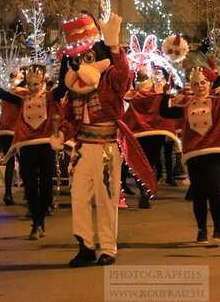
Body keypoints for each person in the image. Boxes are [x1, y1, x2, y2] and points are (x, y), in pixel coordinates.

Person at [50, 13, 156, 267]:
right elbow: (68, 120)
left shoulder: (109, 81)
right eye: (75, 60)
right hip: (82, 150)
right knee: (78, 198)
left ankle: (108, 247)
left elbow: (123, 72)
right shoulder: (74, 94)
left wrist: (113, 43)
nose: (79, 66)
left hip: (107, 147)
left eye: (86, 58)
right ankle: (85, 246)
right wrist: (61, 134)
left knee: (106, 199)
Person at [159, 66, 220, 244]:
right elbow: (164, 112)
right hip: (195, 153)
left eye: (203, 82)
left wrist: (217, 77)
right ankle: (202, 230)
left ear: (209, 83)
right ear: (191, 86)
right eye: (196, 84)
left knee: (213, 189)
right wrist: (165, 95)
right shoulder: (186, 103)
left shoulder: (219, 99)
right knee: (199, 193)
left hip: (217, 150)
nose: (200, 86)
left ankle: (218, 228)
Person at [0, 62, 61, 240]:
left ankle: (41, 219)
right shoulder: (21, 100)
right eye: (30, 84)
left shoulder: (50, 97)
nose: (32, 88)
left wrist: (67, 61)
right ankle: (36, 223)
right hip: (26, 147)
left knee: (46, 186)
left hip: (46, 145)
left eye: (36, 84)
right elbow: (0, 93)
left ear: (43, 82)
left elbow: (65, 88)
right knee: (30, 185)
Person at [121, 68, 181, 208]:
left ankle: (144, 189)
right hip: (156, 131)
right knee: (150, 163)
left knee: (138, 164)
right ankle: (147, 188)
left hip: (137, 133)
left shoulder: (132, 96)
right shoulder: (157, 94)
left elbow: (123, 93)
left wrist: (129, 77)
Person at [0, 68, 28, 206]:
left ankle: (7, 193)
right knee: (24, 163)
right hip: (18, 133)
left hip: (5, 132)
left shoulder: (8, 95)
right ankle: (27, 192)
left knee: (10, 163)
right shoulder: (24, 95)